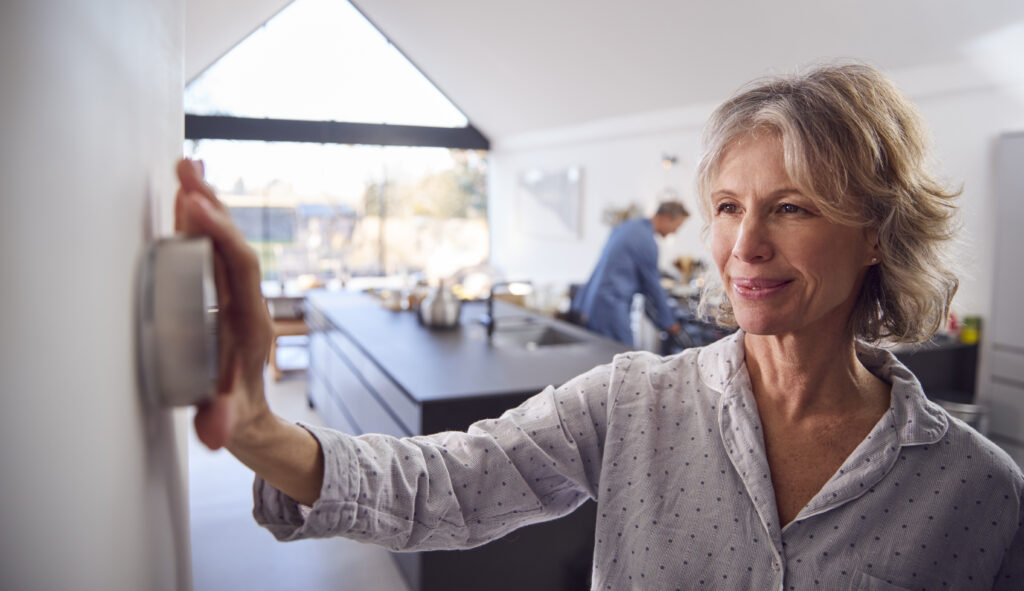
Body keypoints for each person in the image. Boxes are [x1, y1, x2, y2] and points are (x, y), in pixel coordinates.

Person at [177, 61, 1024, 589]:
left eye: (791, 207)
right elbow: (444, 486)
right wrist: (255, 427)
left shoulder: (977, 492)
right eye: (727, 206)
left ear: (876, 231)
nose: (745, 244)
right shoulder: (631, 403)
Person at [570, 201, 687, 347]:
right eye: (677, 226)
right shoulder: (646, 241)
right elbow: (653, 287)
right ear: (667, 218)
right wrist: (670, 323)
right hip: (610, 305)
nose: (674, 232)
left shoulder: (627, 227)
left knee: (601, 355)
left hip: (592, 301)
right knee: (625, 357)